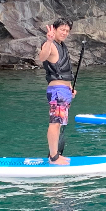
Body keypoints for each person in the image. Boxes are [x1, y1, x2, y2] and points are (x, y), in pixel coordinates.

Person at [37, 19, 75, 165]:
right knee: (55, 123)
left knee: (58, 123)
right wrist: (48, 41)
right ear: (55, 29)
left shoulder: (62, 46)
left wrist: (70, 88)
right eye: (62, 30)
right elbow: (42, 57)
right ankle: (53, 157)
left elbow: (64, 69)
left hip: (64, 90)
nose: (65, 33)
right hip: (57, 91)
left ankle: (54, 154)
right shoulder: (51, 45)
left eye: (67, 31)